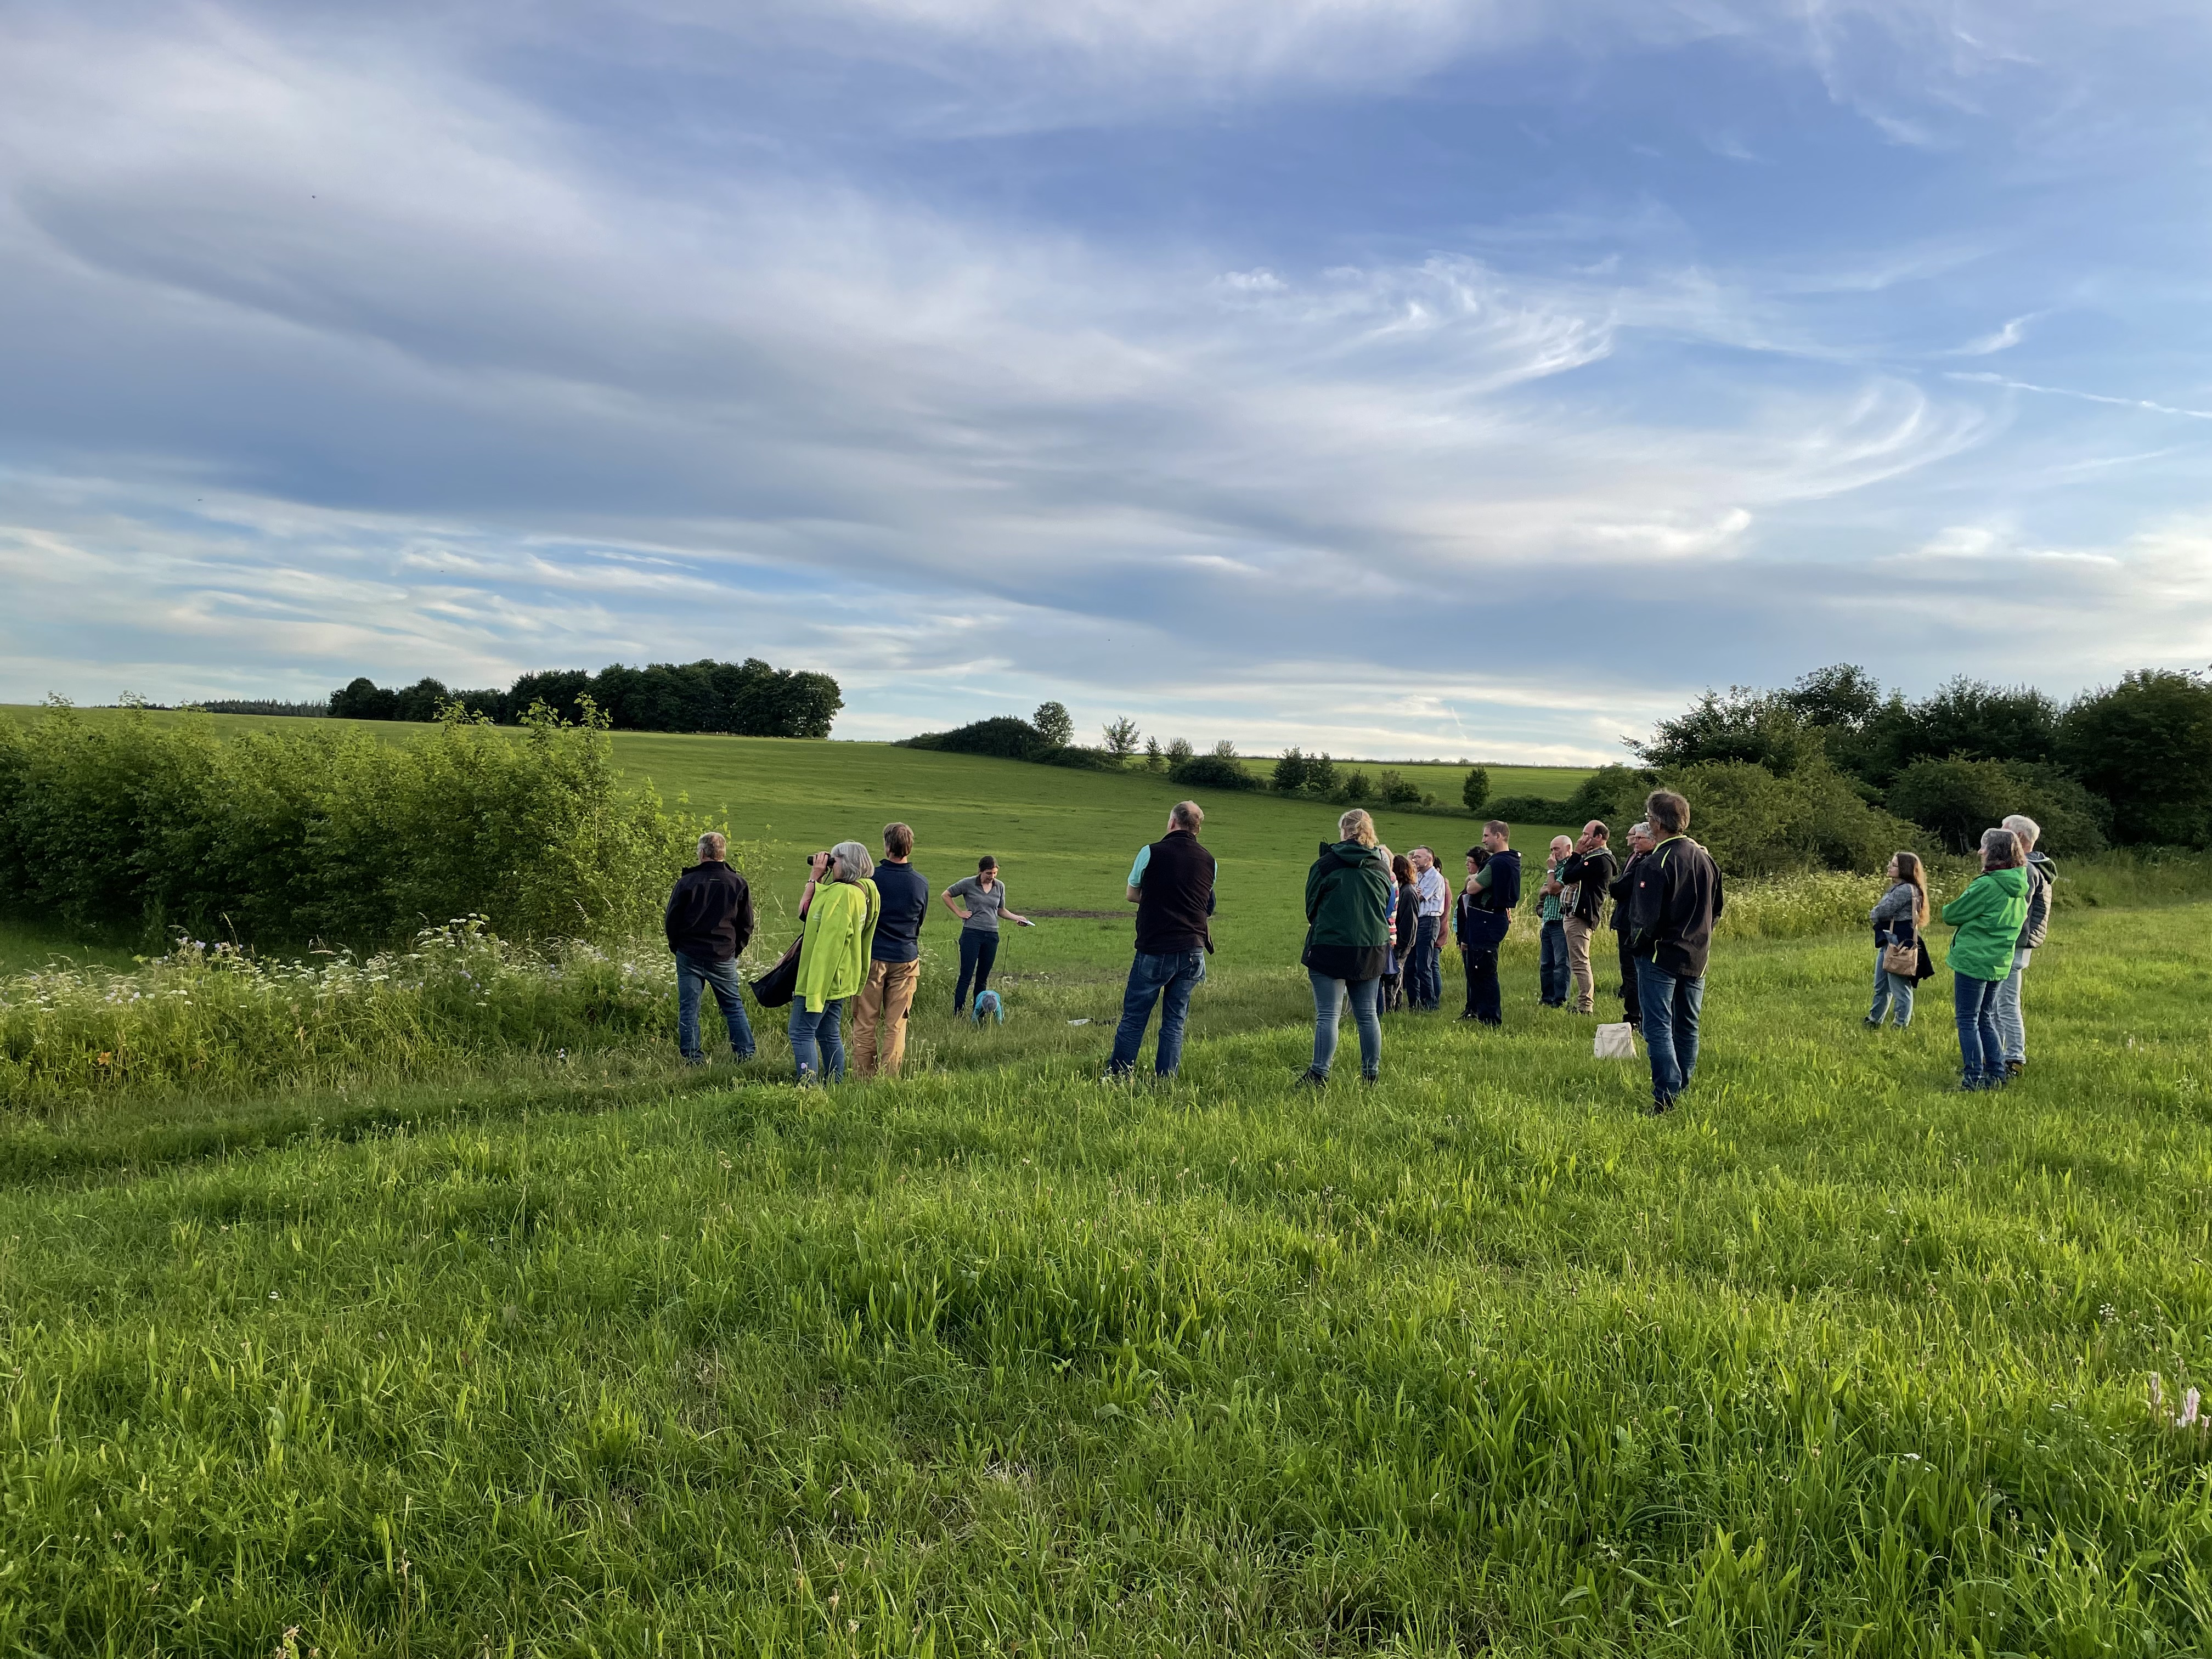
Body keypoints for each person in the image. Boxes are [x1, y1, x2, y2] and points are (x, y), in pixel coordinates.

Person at [1627, 791, 1724, 1114]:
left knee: (1658, 1025)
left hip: (1660, 957)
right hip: (1698, 955)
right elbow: (1717, 909)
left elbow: (1644, 919)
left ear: (1656, 823)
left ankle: (1666, 1095)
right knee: (1687, 1025)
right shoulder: (1706, 859)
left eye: (1649, 817)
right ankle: (1682, 1087)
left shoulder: (1656, 862)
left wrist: (1637, 948)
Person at [1107, 800, 1216, 1080]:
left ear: (1172, 823)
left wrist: (1159, 899)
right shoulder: (1209, 860)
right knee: (1175, 1020)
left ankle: (1119, 1075)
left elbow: (1132, 894)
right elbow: (1206, 904)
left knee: (1135, 1016)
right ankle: (1166, 1078)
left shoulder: (1150, 852)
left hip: (1156, 947)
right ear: (1197, 828)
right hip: (1193, 948)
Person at [1295, 809, 1393, 1087]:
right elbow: (1386, 906)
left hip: (1330, 944)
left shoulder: (1325, 865)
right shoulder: (1381, 866)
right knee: (1368, 1014)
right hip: (1371, 946)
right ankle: (1370, 1073)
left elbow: (1311, 907)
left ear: (1345, 831)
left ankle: (1319, 1073)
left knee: (1328, 1014)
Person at [1942, 827, 2029, 1091]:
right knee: (1986, 1018)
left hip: (1974, 960)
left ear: (1994, 853)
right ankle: (1996, 1073)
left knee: (1967, 1020)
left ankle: (1972, 1078)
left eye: (1984, 847)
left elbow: (1951, 915)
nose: (1980, 851)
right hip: (1999, 961)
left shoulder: (1987, 885)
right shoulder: (2019, 883)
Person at [791, 841, 881, 1084]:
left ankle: (808, 1088)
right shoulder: (866, 890)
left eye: (835, 860)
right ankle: (834, 1084)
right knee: (828, 1033)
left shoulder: (841, 895)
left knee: (801, 1032)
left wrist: (814, 989)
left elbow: (827, 942)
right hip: (841, 974)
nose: (831, 864)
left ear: (847, 863)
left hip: (824, 975)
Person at [663, 831, 757, 1064]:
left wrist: (677, 947)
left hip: (690, 954)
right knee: (733, 1006)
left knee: (689, 1009)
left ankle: (693, 1058)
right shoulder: (737, 883)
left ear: (702, 853)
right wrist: (736, 949)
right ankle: (745, 1054)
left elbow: (672, 920)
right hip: (723, 953)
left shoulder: (687, 882)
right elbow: (746, 924)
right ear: (723, 854)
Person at [852, 821, 927, 1078]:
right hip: (906, 957)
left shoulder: (871, 880)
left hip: (873, 958)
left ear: (887, 847)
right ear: (909, 848)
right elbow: (919, 922)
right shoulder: (920, 883)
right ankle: (890, 1076)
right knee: (896, 1025)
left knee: (865, 1021)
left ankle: (863, 1077)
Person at [1994, 813, 2055, 1078]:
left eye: (2004, 830)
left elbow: (2016, 911)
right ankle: (1995, 1054)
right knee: (1998, 1003)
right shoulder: (2032, 867)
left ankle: (2014, 1058)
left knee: (2006, 1003)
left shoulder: (2027, 870)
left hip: (2013, 944)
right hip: (2015, 944)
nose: (1998, 834)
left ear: (2018, 837)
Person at [942, 856, 1031, 1014]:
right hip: (972, 933)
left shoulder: (1000, 886)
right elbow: (946, 895)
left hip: (991, 935)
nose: (992, 877)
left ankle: (979, 1013)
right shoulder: (968, 883)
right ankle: (958, 1013)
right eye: (989, 873)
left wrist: (1017, 918)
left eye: (995, 873)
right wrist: (959, 912)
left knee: (982, 978)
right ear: (981, 871)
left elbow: (1001, 910)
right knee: (966, 976)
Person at [1453, 821, 1520, 1024]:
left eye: (1486, 836)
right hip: (1485, 920)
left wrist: (1473, 879)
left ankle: (1491, 1019)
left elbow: (1472, 888)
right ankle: (1481, 1013)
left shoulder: (1498, 862)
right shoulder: (1510, 860)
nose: (1483, 840)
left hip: (1487, 920)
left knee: (1484, 970)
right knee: (1477, 969)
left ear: (1498, 836)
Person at [1865, 850, 1929, 1030]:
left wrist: (1874, 912)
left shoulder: (1905, 890)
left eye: (1894, 865)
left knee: (1899, 987)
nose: (1889, 867)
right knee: (1882, 984)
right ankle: (1874, 1019)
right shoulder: (1902, 888)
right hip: (1891, 940)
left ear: (1905, 869)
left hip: (1899, 943)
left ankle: (1900, 1025)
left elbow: (1882, 911)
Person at [1559, 821, 1617, 1016]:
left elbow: (1567, 876)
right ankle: (1583, 1003)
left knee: (1580, 962)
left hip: (1581, 915)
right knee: (1578, 961)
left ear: (1599, 837)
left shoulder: (1599, 860)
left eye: (1587, 834)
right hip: (1573, 914)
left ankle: (1585, 1006)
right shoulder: (1591, 858)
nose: (1582, 838)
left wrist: (1576, 853)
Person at [1608, 822, 1652, 1029]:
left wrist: (1615, 886)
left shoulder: (1647, 861)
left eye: (1640, 838)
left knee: (1633, 971)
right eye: (1634, 837)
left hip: (1632, 921)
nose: (1635, 841)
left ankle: (1635, 1017)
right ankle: (1636, 1013)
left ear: (1652, 840)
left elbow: (1622, 887)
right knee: (1629, 971)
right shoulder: (1636, 858)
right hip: (1626, 919)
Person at [1407, 848, 1449, 1011]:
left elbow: (1418, 897)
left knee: (1424, 965)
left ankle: (1430, 1003)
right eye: (1414, 857)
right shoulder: (1417, 876)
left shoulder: (1435, 877)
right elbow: (1412, 893)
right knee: (1411, 966)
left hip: (1428, 921)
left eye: (1418, 857)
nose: (1415, 860)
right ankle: (1414, 1002)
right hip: (1416, 921)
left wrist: (1414, 892)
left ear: (1429, 859)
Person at [1536, 834, 1573, 1007]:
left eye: (1557, 849)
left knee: (1561, 963)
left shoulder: (1569, 868)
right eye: (1552, 849)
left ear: (1568, 849)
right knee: (1546, 964)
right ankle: (1547, 998)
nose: (1553, 853)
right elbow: (1544, 892)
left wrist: (1551, 875)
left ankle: (1560, 999)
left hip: (1561, 921)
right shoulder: (1555, 869)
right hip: (1548, 920)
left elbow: (1551, 889)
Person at [1382, 853, 1418, 1012]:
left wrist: (1400, 945)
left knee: (1393, 977)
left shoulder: (1408, 893)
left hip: (1401, 945)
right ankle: (1395, 1007)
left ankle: (1391, 1008)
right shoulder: (1404, 890)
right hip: (1400, 943)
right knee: (1395, 976)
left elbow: (1409, 924)